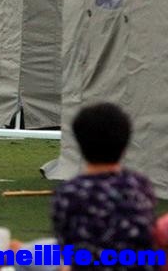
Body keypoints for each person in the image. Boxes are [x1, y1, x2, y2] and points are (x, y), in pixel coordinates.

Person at [51, 102, 156, 270]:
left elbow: (67, 250)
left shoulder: (69, 192)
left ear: (80, 144)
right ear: (125, 145)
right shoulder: (141, 186)